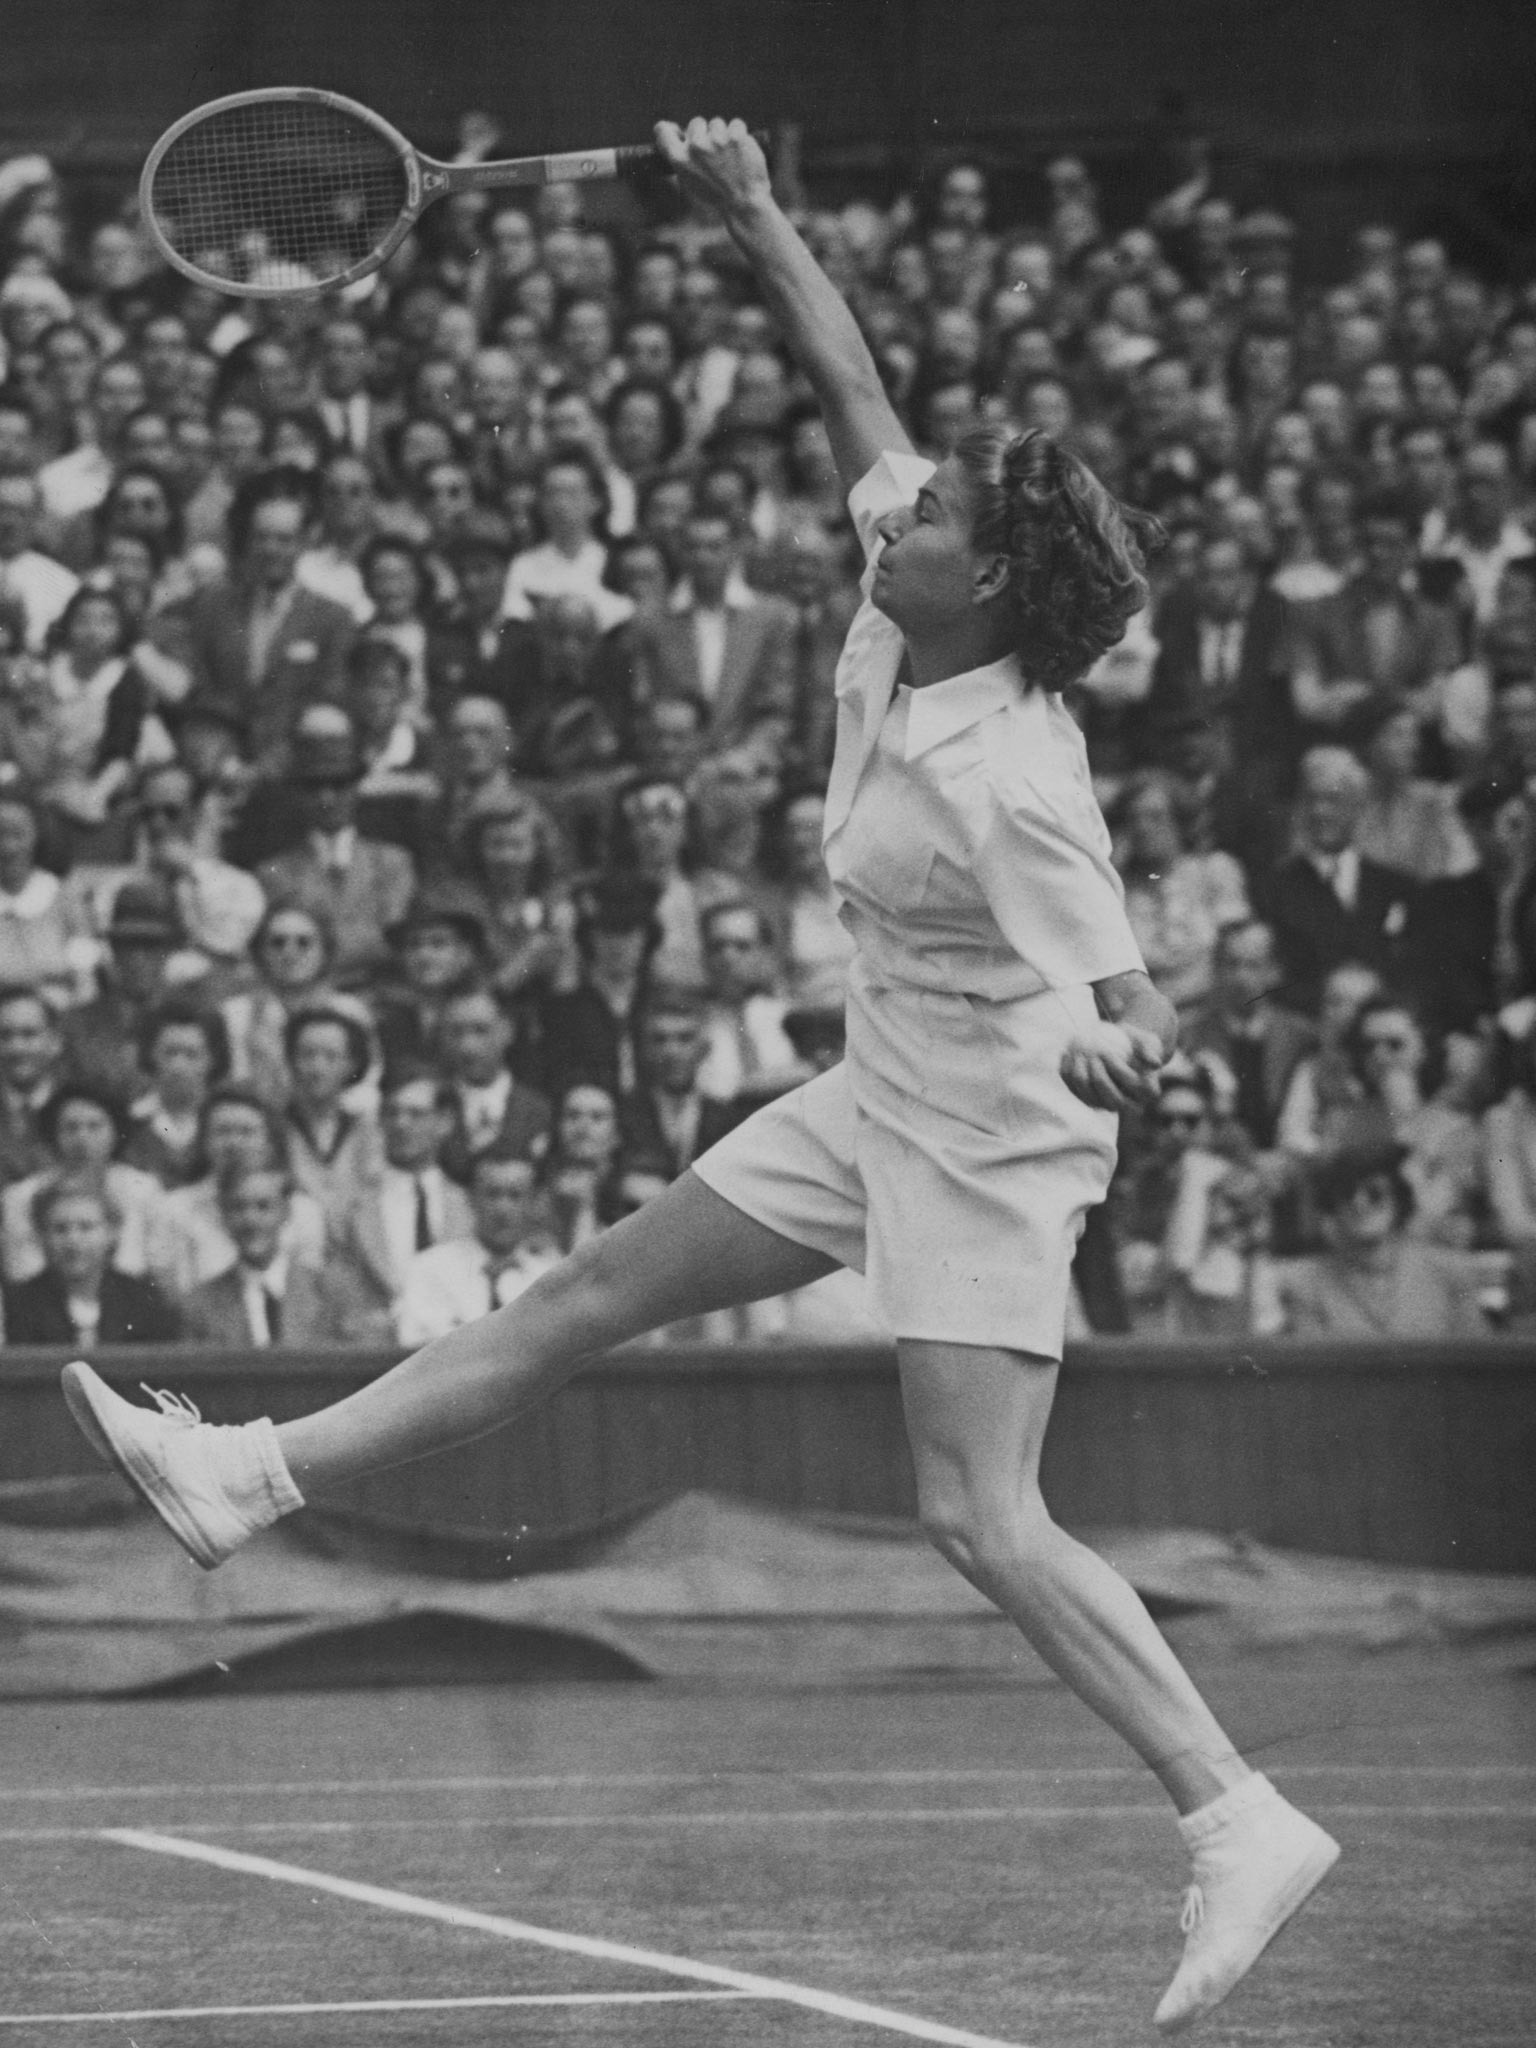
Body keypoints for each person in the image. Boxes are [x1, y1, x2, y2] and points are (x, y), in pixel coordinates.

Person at [61, 119, 1336, 2033]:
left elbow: (1139, 1002)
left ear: (985, 587)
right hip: (878, 1081)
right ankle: (247, 1473)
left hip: (997, 1129)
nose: (884, 518)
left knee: (979, 1519)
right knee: (579, 1294)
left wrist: (1115, 1044)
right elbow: (854, 385)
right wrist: (753, 215)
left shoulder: (1019, 778)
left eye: (926, 524)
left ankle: (1237, 1815)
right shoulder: (920, 592)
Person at [1274, 1141, 1487, 1339]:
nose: (1359, 1203)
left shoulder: (1449, 1273)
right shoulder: (1305, 1285)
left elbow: (1479, 1363)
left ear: (1398, 1200)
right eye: (1347, 1194)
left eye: (1374, 1193)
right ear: (1334, 1206)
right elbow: (1314, 1373)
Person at [180, 1160, 381, 1347]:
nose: (250, 1220)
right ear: (222, 1215)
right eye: (238, 1208)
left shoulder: (332, 1291)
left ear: (286, 1212)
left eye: (263, 1206)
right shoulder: (200, 1305)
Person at [394, 1142, 560, 1345]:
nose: (502, 1208)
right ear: (470, 1197)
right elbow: (413, 1343)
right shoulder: (429, 1269)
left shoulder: (550, 1278)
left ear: (533, 1201)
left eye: (515, 1195)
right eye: (492, 1194)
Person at [4, 1173, 180, 1345]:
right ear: (41, 1235)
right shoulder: (16, 1305)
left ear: (112, 1231)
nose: (73, 1241)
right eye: (60, 1229)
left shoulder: (145, 1302)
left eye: (86, 1227)